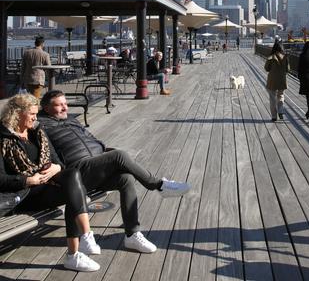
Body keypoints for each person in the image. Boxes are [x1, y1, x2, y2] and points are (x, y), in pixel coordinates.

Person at [38, 90, 191, 254]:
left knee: (125, 179)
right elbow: (48, 155)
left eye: (66, 103)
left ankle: (132, 234)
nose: (65, 108)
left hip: (95, 165)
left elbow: (91, 138)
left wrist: (104, 151)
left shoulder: (71, 120)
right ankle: (159, 185)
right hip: (76, 171)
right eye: (59, 105)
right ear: (46, 108)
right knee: (119, 155)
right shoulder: (41, 126)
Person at [0, 94, 101, 272]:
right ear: (17, 114)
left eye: (36, 113)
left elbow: (58, 162)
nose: (35, 117)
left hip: (46, 185)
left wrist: (55, 168)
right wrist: (27, 180)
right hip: (23, 195)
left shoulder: (37, 131)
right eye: (31, 114)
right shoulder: (3, 139)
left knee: (72, 179)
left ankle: (81, 243)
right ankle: (76, 253)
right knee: (74, 192)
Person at [264, 41, 290, 121]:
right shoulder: (285, 57)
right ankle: (281, 110)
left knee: (272, 98)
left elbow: (266, 68)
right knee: (281, 95)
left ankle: (274, 117)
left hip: (272, 80)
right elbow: (288, 69)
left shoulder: (271, 57)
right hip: (282, 79)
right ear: (282, 48)